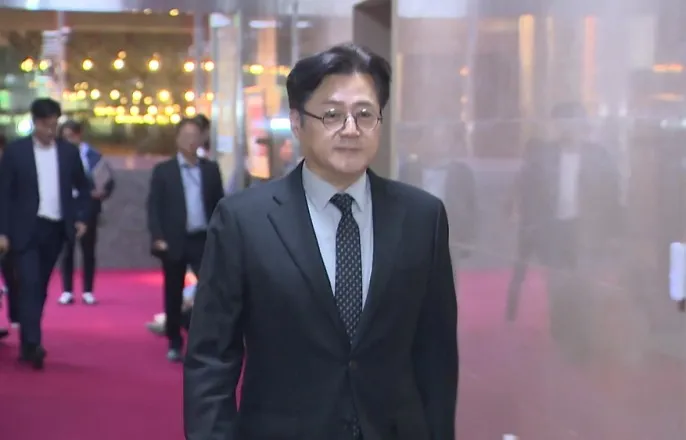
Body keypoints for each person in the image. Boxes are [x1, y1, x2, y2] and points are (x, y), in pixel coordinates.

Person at [184, 43, 458, 440]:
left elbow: (436, 356)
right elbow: (211, 358)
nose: (351, 129)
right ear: (297, 122)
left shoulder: (422, 218)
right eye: (332, 114)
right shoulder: (244, 220)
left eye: (365, 114)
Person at [0, 98, 90, 369]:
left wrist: (81, 217)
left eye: (54, 125)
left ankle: (29, 340)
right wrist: (3, 231)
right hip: (24, 230)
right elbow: (4, 194)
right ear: (35, 122)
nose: (50, 130)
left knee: (39, 286)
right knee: (28, 283)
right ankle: (33, 343)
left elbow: (84, 188)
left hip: (56, 228)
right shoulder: (16, 152)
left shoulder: (68, 153)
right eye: (46, 125)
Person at [147, 117, 225, 362]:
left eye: (195, 136)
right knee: (173, 291)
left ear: (201, 139)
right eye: (185, 136)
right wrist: (158, 237)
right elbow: (154, 207)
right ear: (177, 139)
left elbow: (220, 205)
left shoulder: (210, 169)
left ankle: (203, 335)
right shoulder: (164, 171)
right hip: (174, 239)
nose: (190, 141)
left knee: (211, 289)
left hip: (203, 238)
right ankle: (174, 340)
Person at [58, 120, 115, 306]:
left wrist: (102, 192)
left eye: (71, 136)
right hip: (67, 206)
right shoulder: (59, 155)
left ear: (78, 135)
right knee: (67, 250)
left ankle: (88, 290)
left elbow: (109, 181)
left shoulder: (93, 155)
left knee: (88, 250)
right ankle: (67, 290)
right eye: (64, 137)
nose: (68, 140)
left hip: (89, 206)